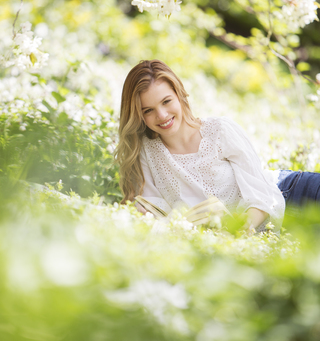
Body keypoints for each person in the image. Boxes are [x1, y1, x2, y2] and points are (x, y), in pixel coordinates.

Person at [115, 59, 320, 232]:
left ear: (179, 95)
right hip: (261, 232)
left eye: (166, 101)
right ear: (138, 115)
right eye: (148, 110)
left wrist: (239, 234)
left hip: (289, 191)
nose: (161, 115)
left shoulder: (220, 130)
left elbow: (262, 195)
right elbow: (153, 213)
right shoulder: (147, 152)